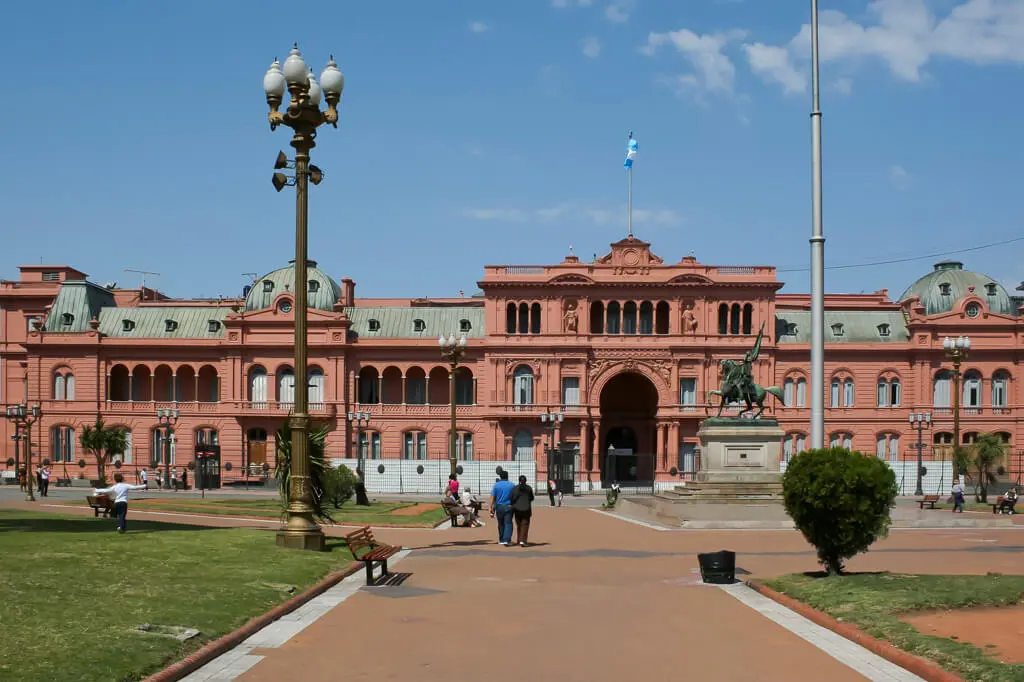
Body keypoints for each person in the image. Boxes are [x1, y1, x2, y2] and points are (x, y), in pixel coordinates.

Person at [490, 470, 515, 546]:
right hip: (508, 506)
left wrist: (491, 507)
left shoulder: (496, 485)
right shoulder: (511, 485)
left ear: (500, 477)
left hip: (499, 506)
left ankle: (501, 539)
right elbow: (514, 496)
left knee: (500, 524)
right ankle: (507, 539)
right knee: (508, 523)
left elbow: (492, 497)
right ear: (507, 476)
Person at [510, 475, 535, 547]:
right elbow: (531, 498)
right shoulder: (529, 488)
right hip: (526, 509)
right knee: (525, 525)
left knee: (519, 525)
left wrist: (514, 504)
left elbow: (511, 498)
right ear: (526, 481)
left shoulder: (515, 488)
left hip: (517, 509)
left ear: (519, 480)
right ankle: (523, 541)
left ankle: (519, 540)